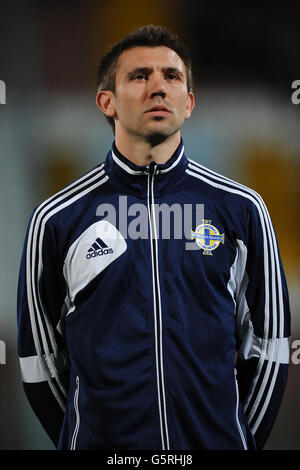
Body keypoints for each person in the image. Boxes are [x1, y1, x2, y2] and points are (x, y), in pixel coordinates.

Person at [17, 24, 291, 451]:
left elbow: (270, 348)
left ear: (190, 102)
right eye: (140, 76)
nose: (159, 88)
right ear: (106, 101)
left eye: (172, 77)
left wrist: (234, 441)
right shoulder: (56, 219)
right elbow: (40, 363)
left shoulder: (242, 210)